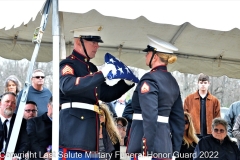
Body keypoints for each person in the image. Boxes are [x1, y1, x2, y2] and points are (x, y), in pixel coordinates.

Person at [59, 29, 135, 160]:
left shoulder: (92, 68)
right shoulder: (68, 64)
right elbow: (68, 85)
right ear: (78, 41)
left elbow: (105, 94)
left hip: (90, 136)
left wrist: (126, 83)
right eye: (93, 42)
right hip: (73, 134)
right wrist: (102, 74)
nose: (97, 46)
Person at [126, 34, 185, 159]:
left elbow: (150, 115)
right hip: (165, 147)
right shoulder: (173, 81)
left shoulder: (149, 79)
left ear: (155, 57)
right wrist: (174, 151)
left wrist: (147, 148)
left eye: (148, 52)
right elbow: (178, 120)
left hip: (147, 147)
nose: (145, 55)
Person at [184, 73, 221, 139]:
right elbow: (185, 118)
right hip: (193, 133)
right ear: (198, 83)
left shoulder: (214, 101)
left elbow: (218, 119)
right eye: (201, 83)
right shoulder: (189, 99)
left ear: (208, 83)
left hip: (209, 134)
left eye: (205, 83)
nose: (203, 85)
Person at [0, 92, 29, 159]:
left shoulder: (21, 122)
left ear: (15, 107)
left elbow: (25, 143)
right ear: (0, 104)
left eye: (13, 103)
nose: (10, 104)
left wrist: (17, 156)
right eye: (7, 101)